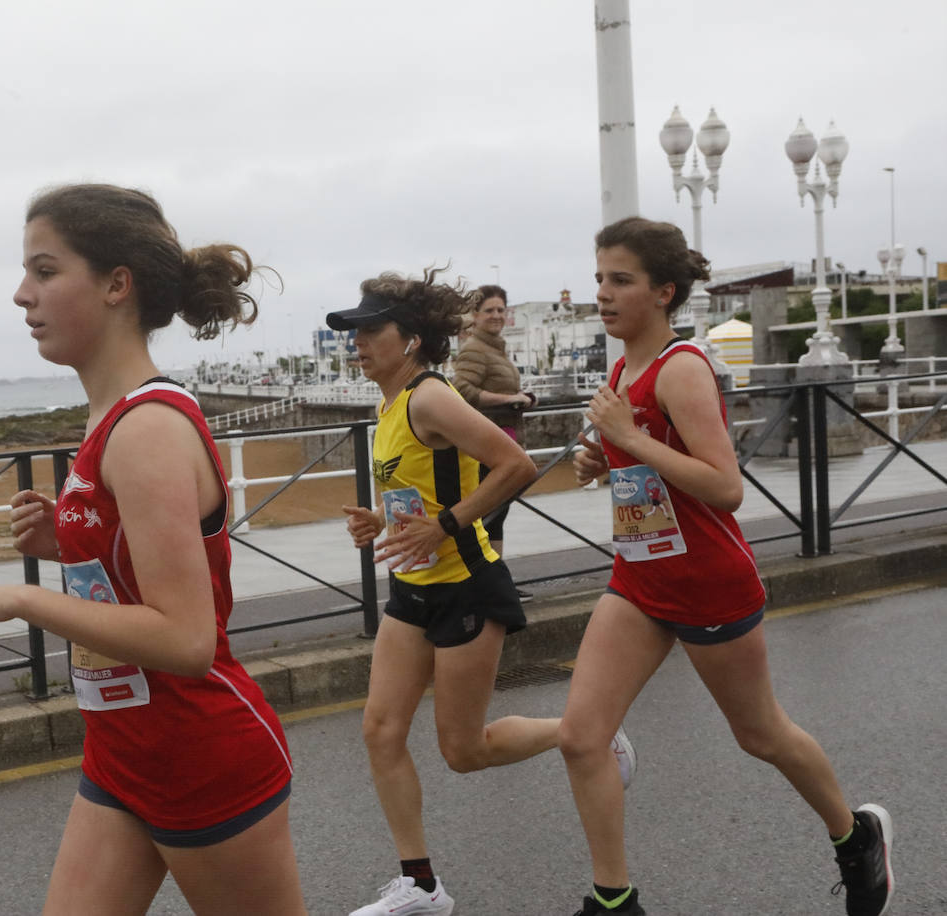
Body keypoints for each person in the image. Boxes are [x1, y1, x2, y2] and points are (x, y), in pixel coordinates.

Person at [0, 183, 306, 916]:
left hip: (198, 753)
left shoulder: (147, 429)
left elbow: (188, 638)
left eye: (44, 270)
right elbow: (137, 576)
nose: (20, 295)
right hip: (124, 749)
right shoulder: (108, 417)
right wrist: (70, 547)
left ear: (115, 286)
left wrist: (25, 598)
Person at [558, 216, 894, 916]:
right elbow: (646, 467)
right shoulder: (625, 368)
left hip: (708, 583)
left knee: (760, 733)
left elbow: (725, 486)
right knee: (581, 737)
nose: (603, 293)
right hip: (641, 578)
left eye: (621, 279)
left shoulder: (682, 369)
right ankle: (613, 901)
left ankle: (855, 838)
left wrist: (626, 437)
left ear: (664, 292)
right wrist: (605, 457)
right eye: (599, 278)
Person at [330, 268, 635, 916]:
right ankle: (421, 887)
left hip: (467, 587)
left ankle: (583, 733)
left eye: (367, 330)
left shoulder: (428, 397)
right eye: (351, 332)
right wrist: (384, 523)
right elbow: (430, 492)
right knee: (381, 731)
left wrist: (441, 527)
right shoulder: (387, 408)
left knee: (463, 752)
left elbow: (515, 465)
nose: (355, 343)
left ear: (409, 339)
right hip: (412, 590)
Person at [451, 283, 538, 602]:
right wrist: (509, 397)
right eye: (489, 310)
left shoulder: (494, 347)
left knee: (496, 516)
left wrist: (521, 398)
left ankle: (495, 582)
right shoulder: (475, 348)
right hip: (487, 447)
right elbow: (462, 390)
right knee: (488, 514)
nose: (497, 315)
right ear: (475, 315)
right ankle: (484, 583)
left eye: (501, 310)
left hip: (503, 439)